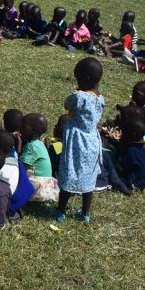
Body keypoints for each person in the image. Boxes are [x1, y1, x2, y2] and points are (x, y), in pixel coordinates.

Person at [54, 57, 105, 223]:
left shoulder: (79, 97)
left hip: (77, 140)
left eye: (78, 79)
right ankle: (85, 214)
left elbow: (67, 104)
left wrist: (76, 93)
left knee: (70, 172)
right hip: (92, 141)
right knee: (88, 179)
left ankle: (60, 211)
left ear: (86, 79)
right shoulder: (100, 99)